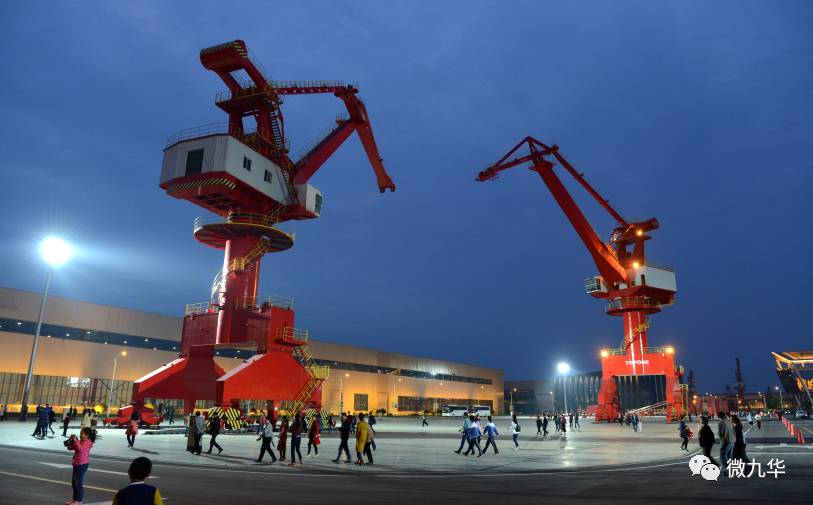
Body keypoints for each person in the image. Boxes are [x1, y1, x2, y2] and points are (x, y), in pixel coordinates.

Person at [66, 427, 96, 505]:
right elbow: (70, 448)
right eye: (80, 433)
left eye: (82, 433)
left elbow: (81, 449)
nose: (80, 434)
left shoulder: (88, 442)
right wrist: (70, 441)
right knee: (74, 483)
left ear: (87, 435)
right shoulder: (80, 441)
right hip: (76, 464)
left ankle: (79, 501)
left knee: (78, 483)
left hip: (82, 465)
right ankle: (75, 500)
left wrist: (76, 442)